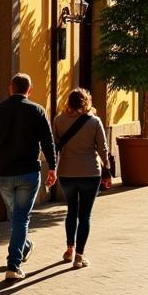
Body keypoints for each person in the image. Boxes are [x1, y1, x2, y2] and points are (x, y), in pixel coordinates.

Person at [0, 73, 56, 281]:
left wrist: (0, 152)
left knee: (16, 217)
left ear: (9, 88)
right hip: (29, 173)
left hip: (4, 173)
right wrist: (53, 168)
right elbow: (48, 142)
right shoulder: (37, 110)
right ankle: (13, 265)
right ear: (29, 90)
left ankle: (24, 247)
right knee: (20, 218)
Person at [53, 87, 109, 269]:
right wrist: (107, 169)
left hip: (67, 173)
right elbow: (103, 149)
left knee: (71, 211)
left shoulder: (59, 120)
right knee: (85, 216)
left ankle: (69, 249)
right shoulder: (94, 121)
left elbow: (54, 147)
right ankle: (79, 256)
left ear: (68, 102)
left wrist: (52, 169)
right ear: (87, 102)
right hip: (90, 173)